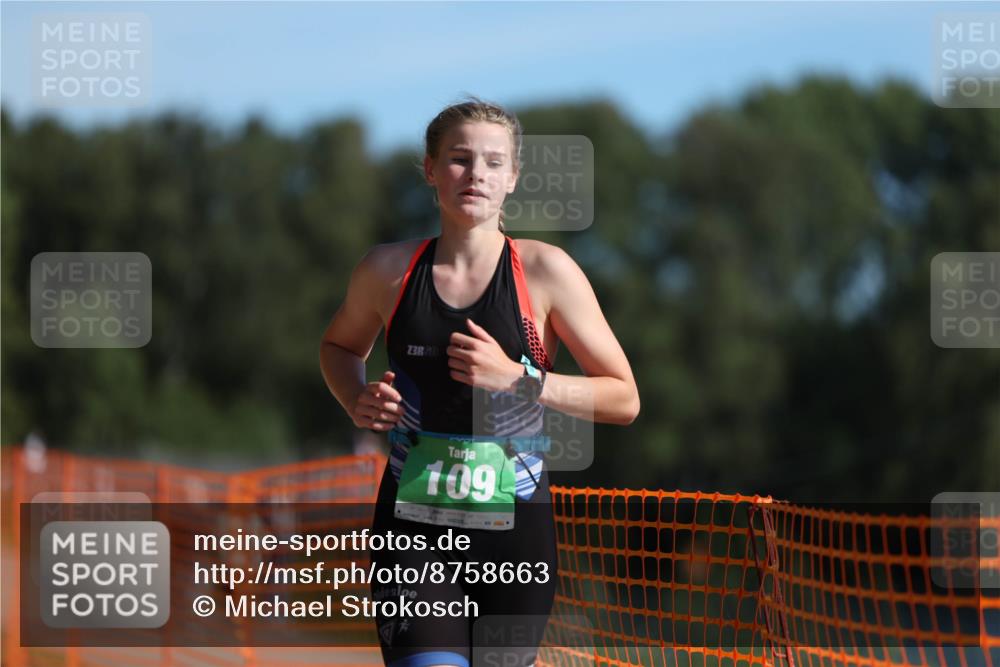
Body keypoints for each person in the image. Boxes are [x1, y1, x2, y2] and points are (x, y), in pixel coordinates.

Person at [319, 96, 639, 667]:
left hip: (515, 540)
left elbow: (623, 397)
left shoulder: (545, 272)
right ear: (430, 169)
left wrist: (520, 379)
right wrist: (355, 398)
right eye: (459, 158)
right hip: (413, 535)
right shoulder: (388, 271)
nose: (476, 174)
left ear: (512, 178)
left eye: (494, 162)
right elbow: (339, 347)